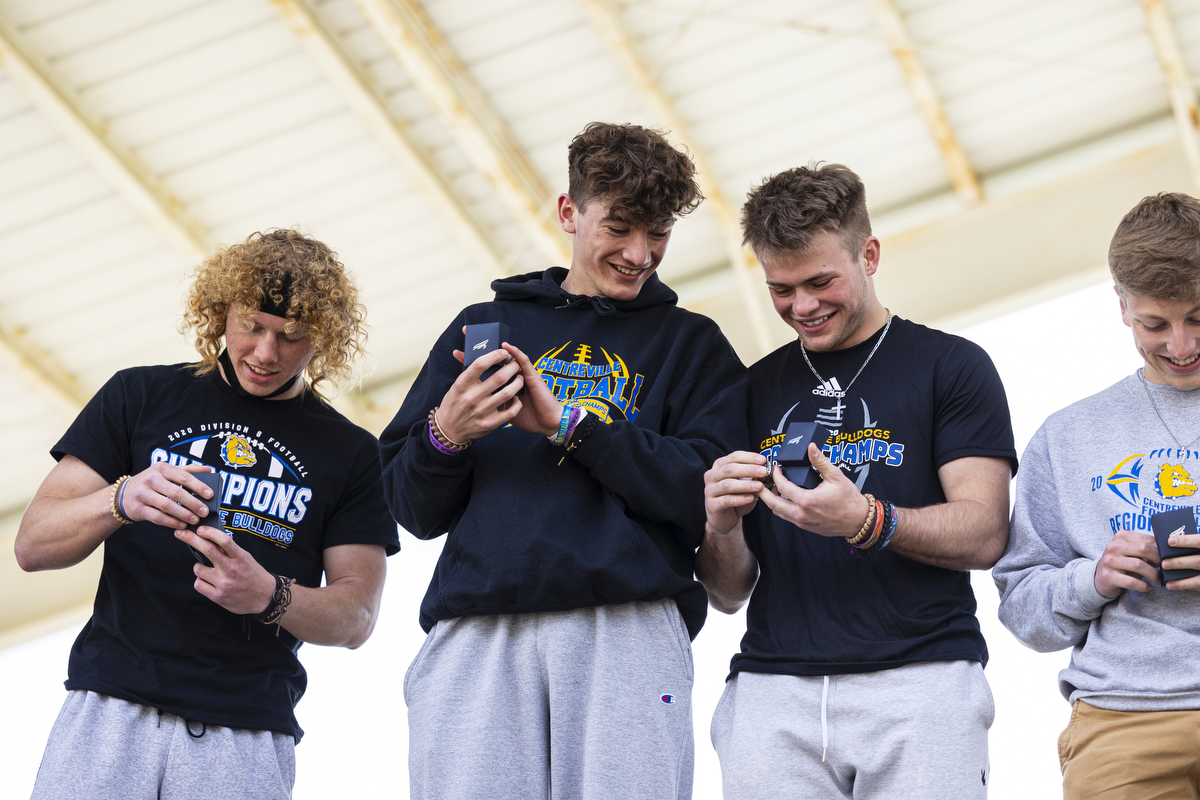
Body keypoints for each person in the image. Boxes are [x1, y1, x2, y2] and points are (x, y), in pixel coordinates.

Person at [379, 121, 745, 800]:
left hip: (627, 629)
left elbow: (706, 494)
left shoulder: (692, 346)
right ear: (569, 212)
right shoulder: (483, 327)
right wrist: (445, 434)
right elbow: (409, 510)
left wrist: (571, 427)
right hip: (477, 632)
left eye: (658, 233)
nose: (641, 254)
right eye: (622, 228)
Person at [15, 229, 400, 800]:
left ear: (323, 341)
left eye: (290, 337)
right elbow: (32, 544)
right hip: (111, 705)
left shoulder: (349, 451)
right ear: (221, 312)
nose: (265, 353)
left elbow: (357, 617)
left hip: (244, 731)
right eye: (252, 326)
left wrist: (270, 594)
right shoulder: (138, 395)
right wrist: (121, 499)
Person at [697, 163, 1017, 799]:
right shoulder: (750, 388)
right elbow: (728, 592)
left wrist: (868, 521)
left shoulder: (950, 366)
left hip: (921, 681)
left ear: (869, 254)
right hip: (771, 691)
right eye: (781, 289)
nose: (803, 306)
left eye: (821, 281)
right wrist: (719, 523)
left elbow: (985, 532)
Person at [994, 192, 1200, 799]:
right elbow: (1021, 607)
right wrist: (1095, 577)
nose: (1181, 345)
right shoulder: (1068, 436)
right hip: (1123, 722)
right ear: (1121, 307)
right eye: (1154, 324)